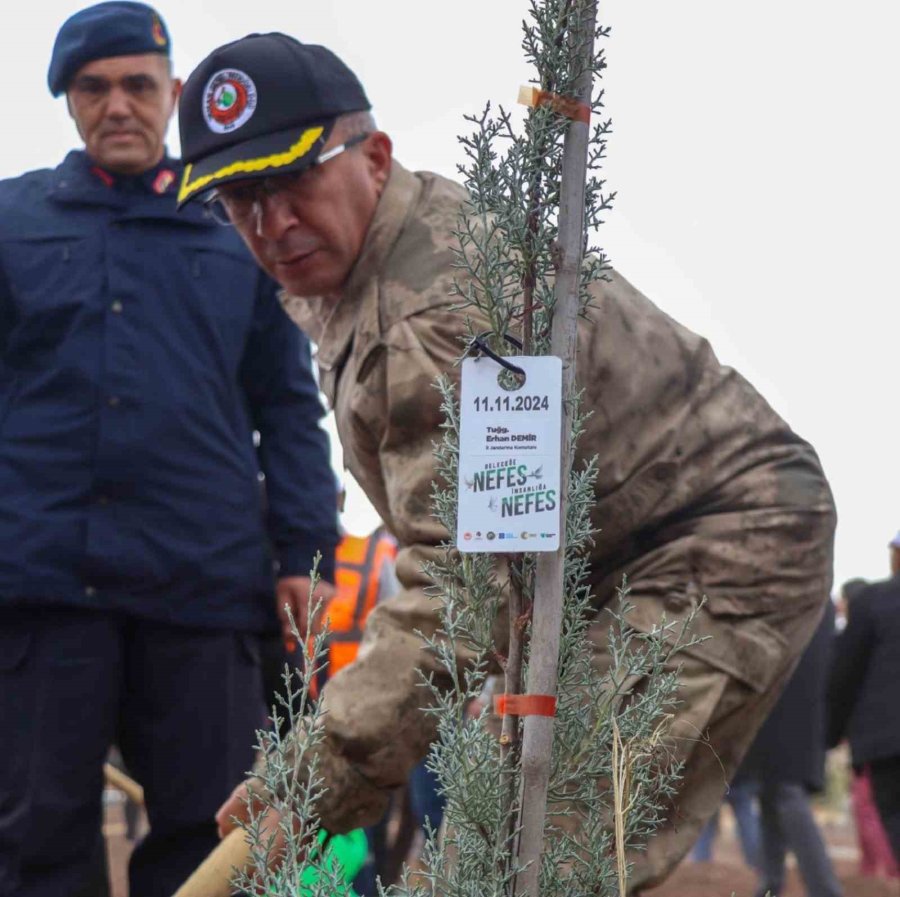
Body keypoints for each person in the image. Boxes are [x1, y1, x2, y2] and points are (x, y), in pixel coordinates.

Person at [176, 33, 836, 891]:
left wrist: (319, 777)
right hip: (588, 562)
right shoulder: (356, 272)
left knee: (521, 862)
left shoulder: (444, 311)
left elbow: (464, 584)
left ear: (374, 157)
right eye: (240, 199)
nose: (272, 224)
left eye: (293, 179)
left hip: (712, 547)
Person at [0, 7, 339, 897]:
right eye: (94, 87)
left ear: (175, 92)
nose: (118, 105)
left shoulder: (238, 223)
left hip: (204, 590)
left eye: (138, 85)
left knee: (208, 835)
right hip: (41, 589)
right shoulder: (10, 221)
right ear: (68, 101)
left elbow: (288, 403)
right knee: (35, 835)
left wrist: (309, 555)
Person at [739, 600, 842, 897]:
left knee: (785, 793)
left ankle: (825, 890)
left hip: (786, 712)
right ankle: (770, 884)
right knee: (771, 794)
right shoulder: (818, 601)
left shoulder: (804, 602)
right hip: (791, 714)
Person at [829, 533, 900, 870]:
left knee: (893, 811)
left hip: (887, 742)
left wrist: (830, 733)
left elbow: (846, 674)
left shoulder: (873, 601)